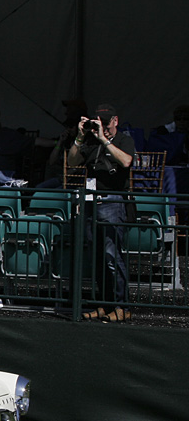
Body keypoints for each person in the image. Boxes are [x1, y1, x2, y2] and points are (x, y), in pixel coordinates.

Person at [68, 103, 135, 323]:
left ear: (115, 121)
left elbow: (126, 161)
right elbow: (72, 161)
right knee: (97, 258)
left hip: (112, 201)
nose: (102, 127)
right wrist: (80, 136)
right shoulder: (90, 140)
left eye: (106, 123)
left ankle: (121, 306)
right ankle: (104, 305)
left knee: (112, 256)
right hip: (91, 201)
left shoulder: (124, 140)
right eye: (99, 123)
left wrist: (105, 140)